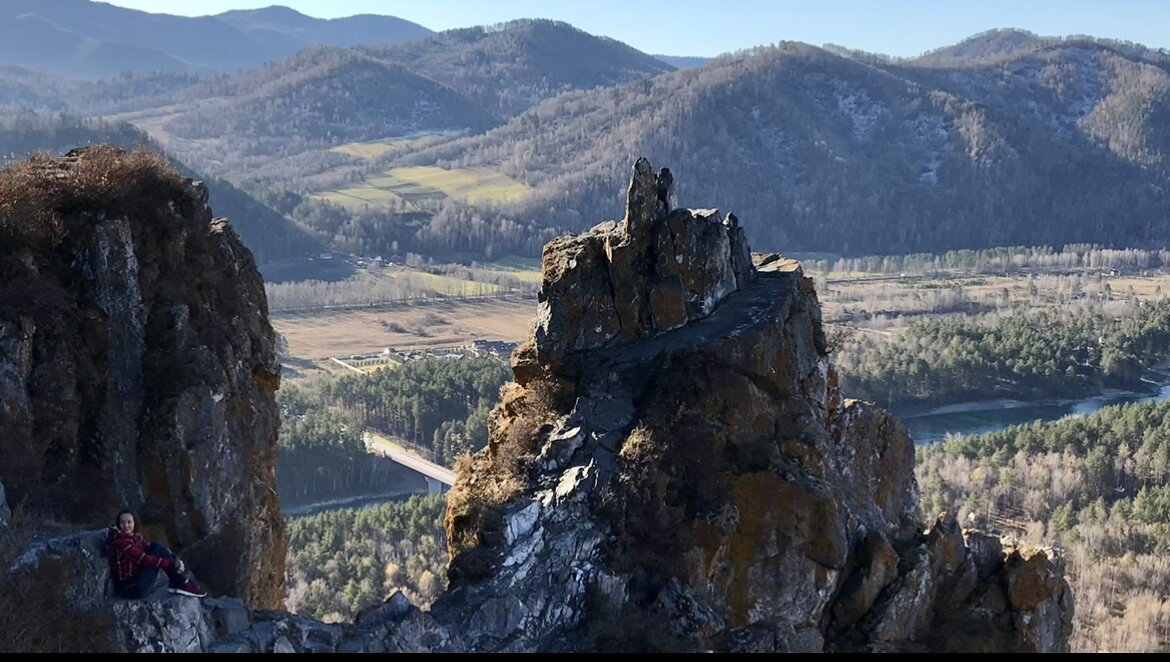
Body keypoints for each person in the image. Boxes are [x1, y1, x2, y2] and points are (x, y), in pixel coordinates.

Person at [106, 509, 207, 599]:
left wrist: (175, 560)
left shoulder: (133, 538)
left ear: (134, 523)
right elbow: (144, 559)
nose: (126, 525)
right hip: (132, 588)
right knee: (157, 551)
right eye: (122, 522)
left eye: (129, 522)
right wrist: (172, 565)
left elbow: (149, 547)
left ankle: (179, 582)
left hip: (137, 579)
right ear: (118, 524)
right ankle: (180, 582)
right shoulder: (119, 542)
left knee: (156, 545)